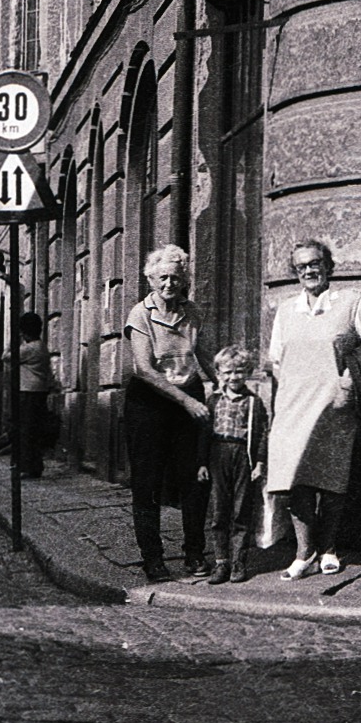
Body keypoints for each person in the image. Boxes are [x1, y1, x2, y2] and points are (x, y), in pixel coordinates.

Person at [267, 239, 361, 580]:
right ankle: (304, 552)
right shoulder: (286, 310)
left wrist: (348, 376)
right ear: (295, 272)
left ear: (329, 266)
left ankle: (329, 548)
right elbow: (276, 361)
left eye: (316, 263)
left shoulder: (350, 303)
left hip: (335, 405)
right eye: (302, 266)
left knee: (332, 480)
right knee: (293, 479)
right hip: (293, 406)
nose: (309, 270)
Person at [123, 244, 216, 584]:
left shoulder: (191, 312)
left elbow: (202, 352)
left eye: (176, 278)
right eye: (163, 278)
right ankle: (153, 559)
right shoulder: (140, 313)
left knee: (195, 479)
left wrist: (222, 384)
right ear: (150, 278)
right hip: (149, 402)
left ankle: (194, 552)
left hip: (187, 395)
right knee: (147, 482)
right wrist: (188, 402)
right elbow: (145, 369)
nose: (169, 285)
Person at [204, 344, 267, 585]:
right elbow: (204, 433)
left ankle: (239, 561)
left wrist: (259, 462)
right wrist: (202, 463)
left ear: (247, 372)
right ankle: (221, 562)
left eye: (239, 372)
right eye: (227, 372)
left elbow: (262, 433)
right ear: (219, 374)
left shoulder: (254, 402)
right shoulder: (214, 400)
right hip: (218, 454)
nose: (233, 377)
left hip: (243, 456)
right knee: (219, 511)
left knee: (241, 511)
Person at [3, 312, 57, 478]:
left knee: (25, 431)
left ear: (25, 331)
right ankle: (34, 465)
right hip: (39, 391)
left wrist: (11, 343)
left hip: (28, 392)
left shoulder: (28, 348)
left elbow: (6, 357)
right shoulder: (41, 346)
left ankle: (27, 467)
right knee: (34, 431)